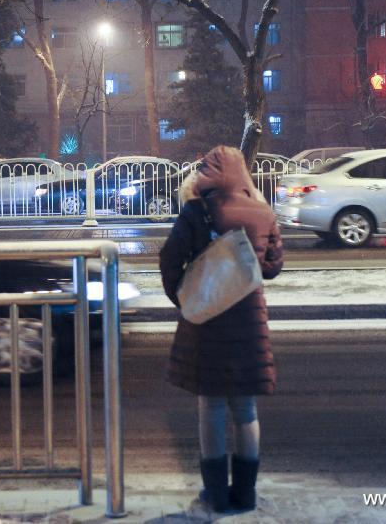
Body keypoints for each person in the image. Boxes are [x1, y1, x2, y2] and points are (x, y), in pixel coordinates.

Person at [159, 145, 284, 513]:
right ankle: (245, 495)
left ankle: (215, 494)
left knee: (211, 405)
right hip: (248, 321)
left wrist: (183, 296)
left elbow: (169, 258)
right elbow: (273, 267)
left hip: (208, 321)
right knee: (245, 408)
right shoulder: (262, 212)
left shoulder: (197, 211)